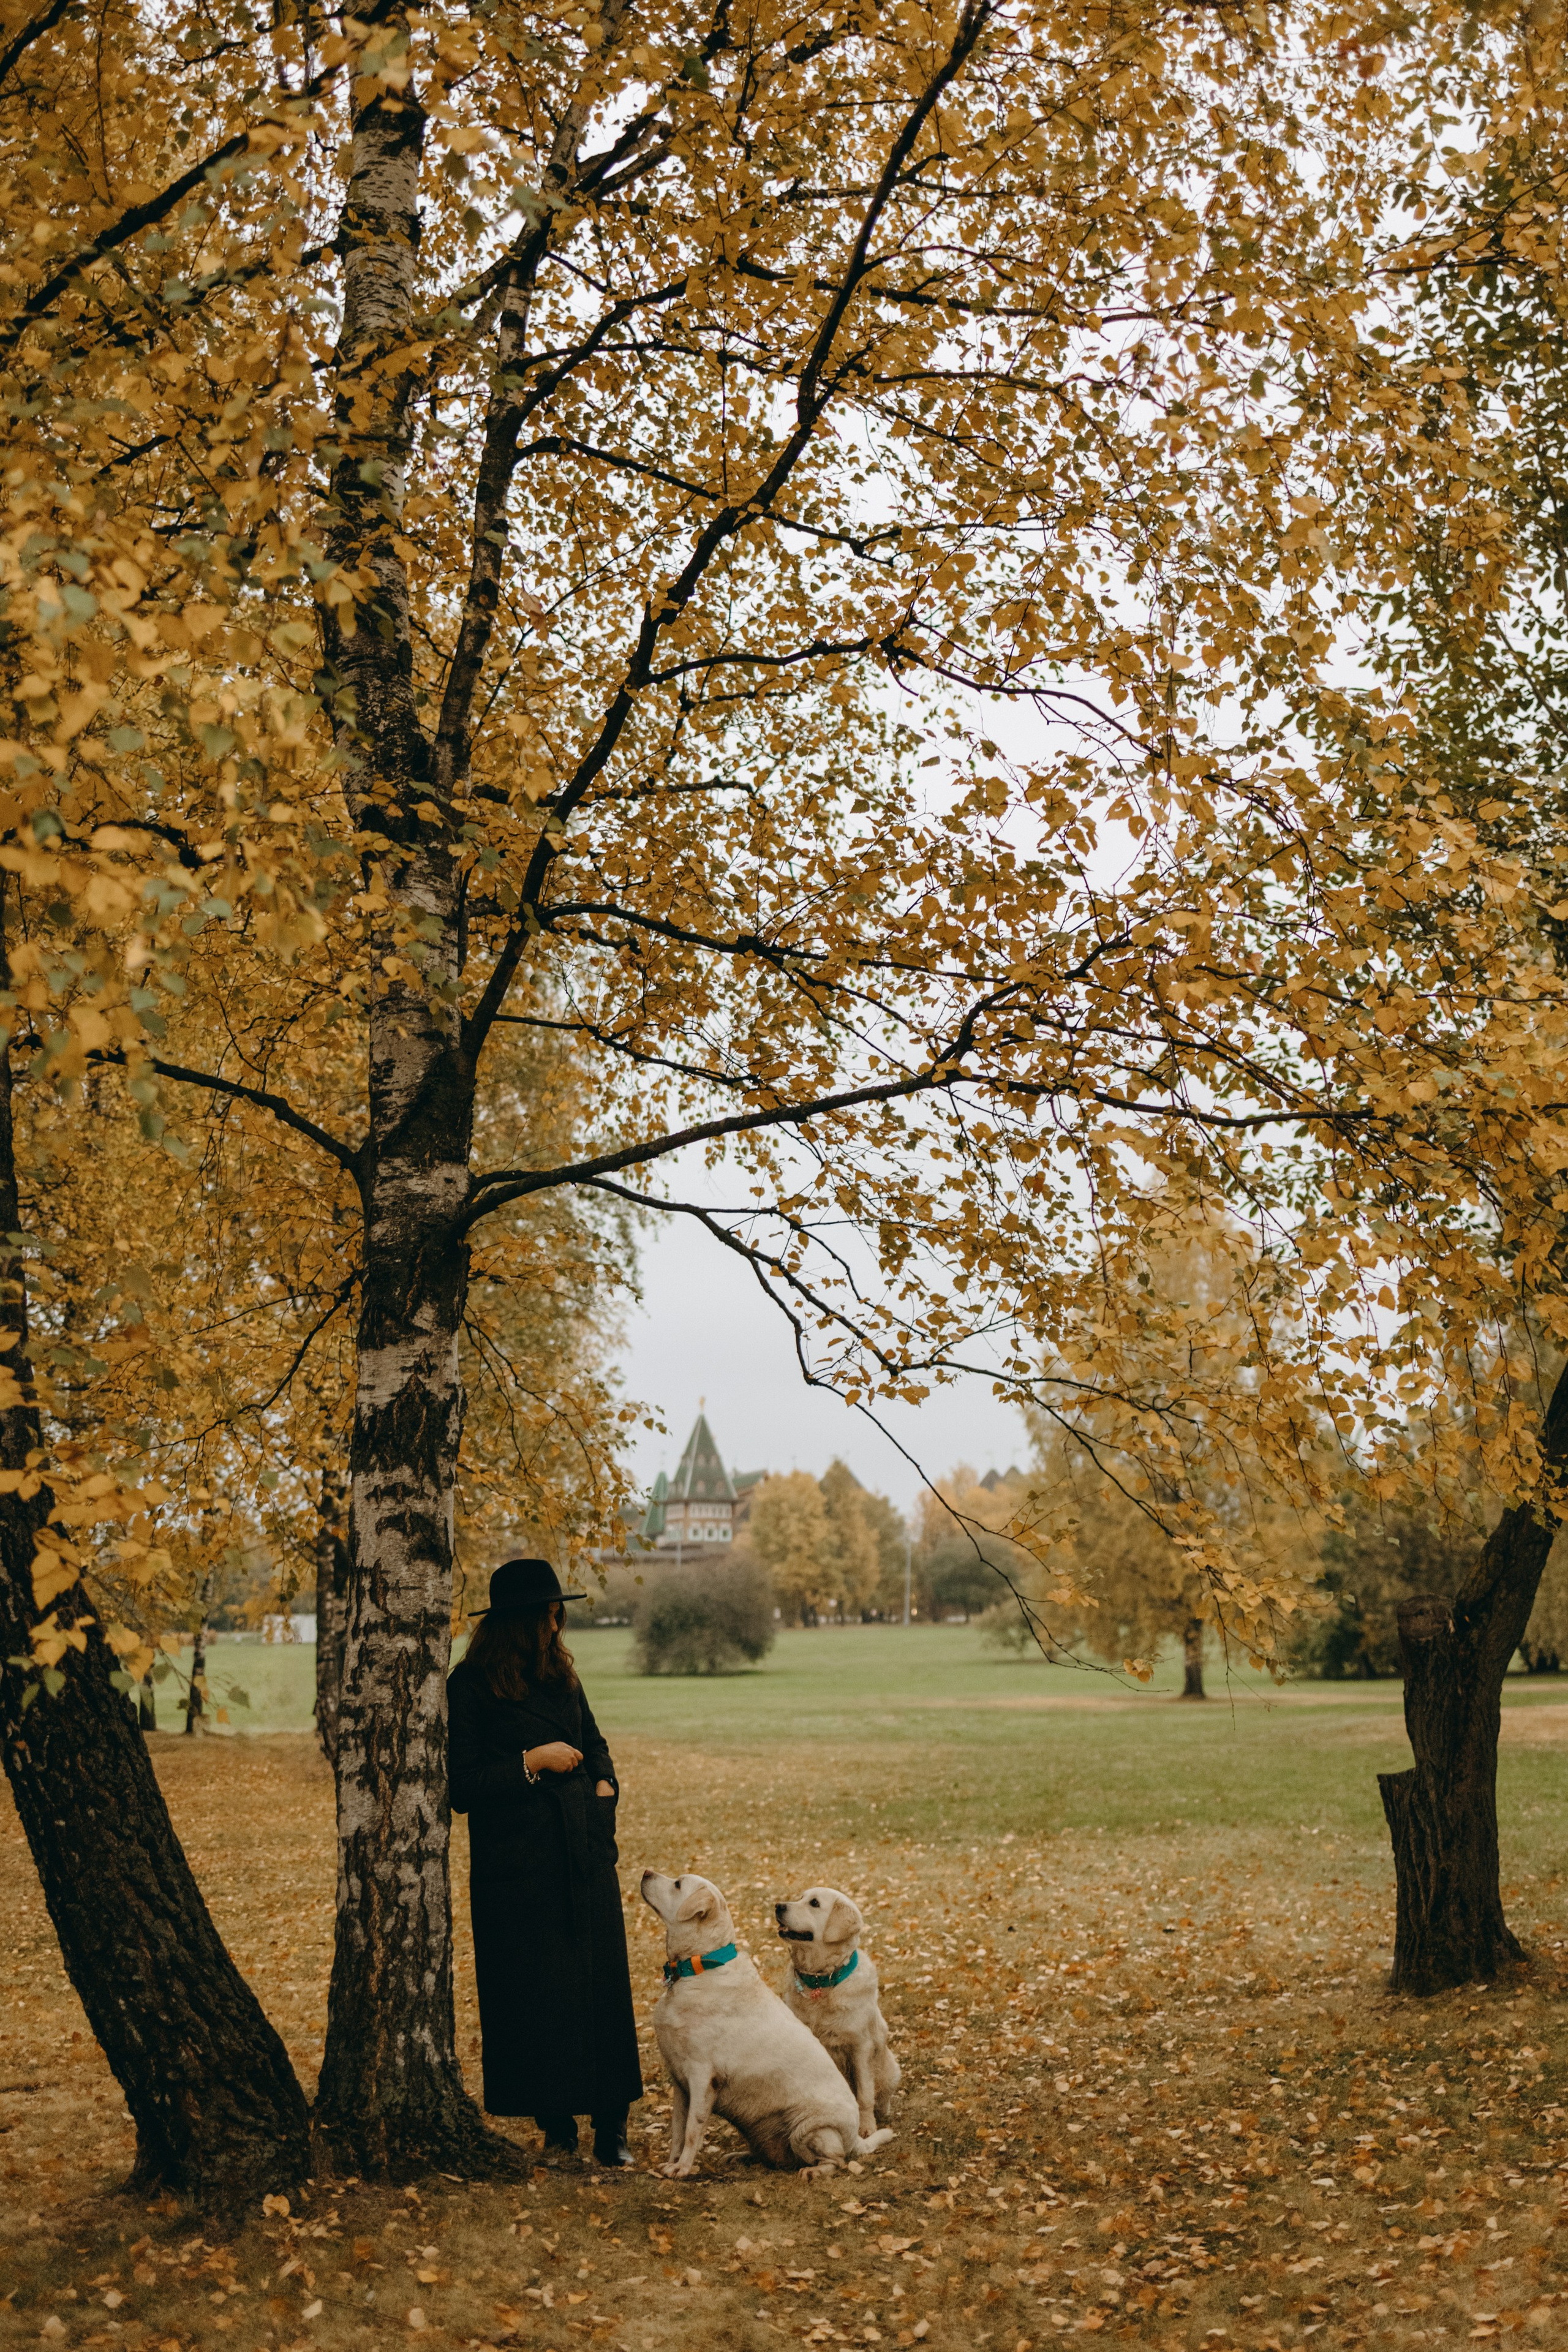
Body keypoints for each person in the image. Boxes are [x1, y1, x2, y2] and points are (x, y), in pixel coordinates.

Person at [448, 1556, 642, 2165]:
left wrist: (603, 1794)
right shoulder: (470, 1685)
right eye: (547, 1615)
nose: (557, 1625)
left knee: (601, 1989)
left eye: (559, 1613)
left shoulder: (563, 1677)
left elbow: (598, 1747)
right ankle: (557, 2128)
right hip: (517, 1867)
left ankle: (612, 2130)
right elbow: (462, 1786)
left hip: (582, 1853)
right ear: (518, 1622)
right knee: (534, 1997)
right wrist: (530, 1762)